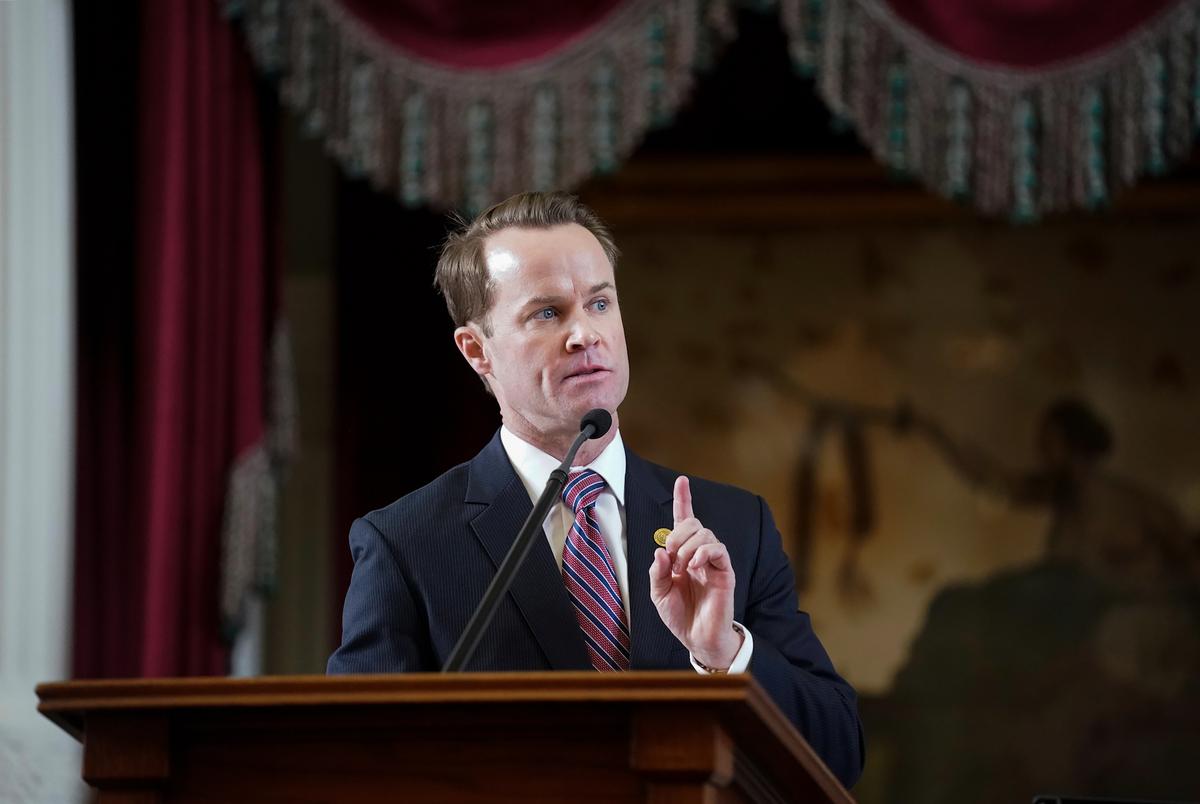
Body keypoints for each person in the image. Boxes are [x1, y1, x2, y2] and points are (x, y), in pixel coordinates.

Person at [327, 191, 864, 788]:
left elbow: (838, 754)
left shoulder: (737, 525)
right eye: (547, 313)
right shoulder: (405, 542)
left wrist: (726, 654)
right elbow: (355, 769)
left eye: (600, 303)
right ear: (477, 350)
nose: (585, 334)